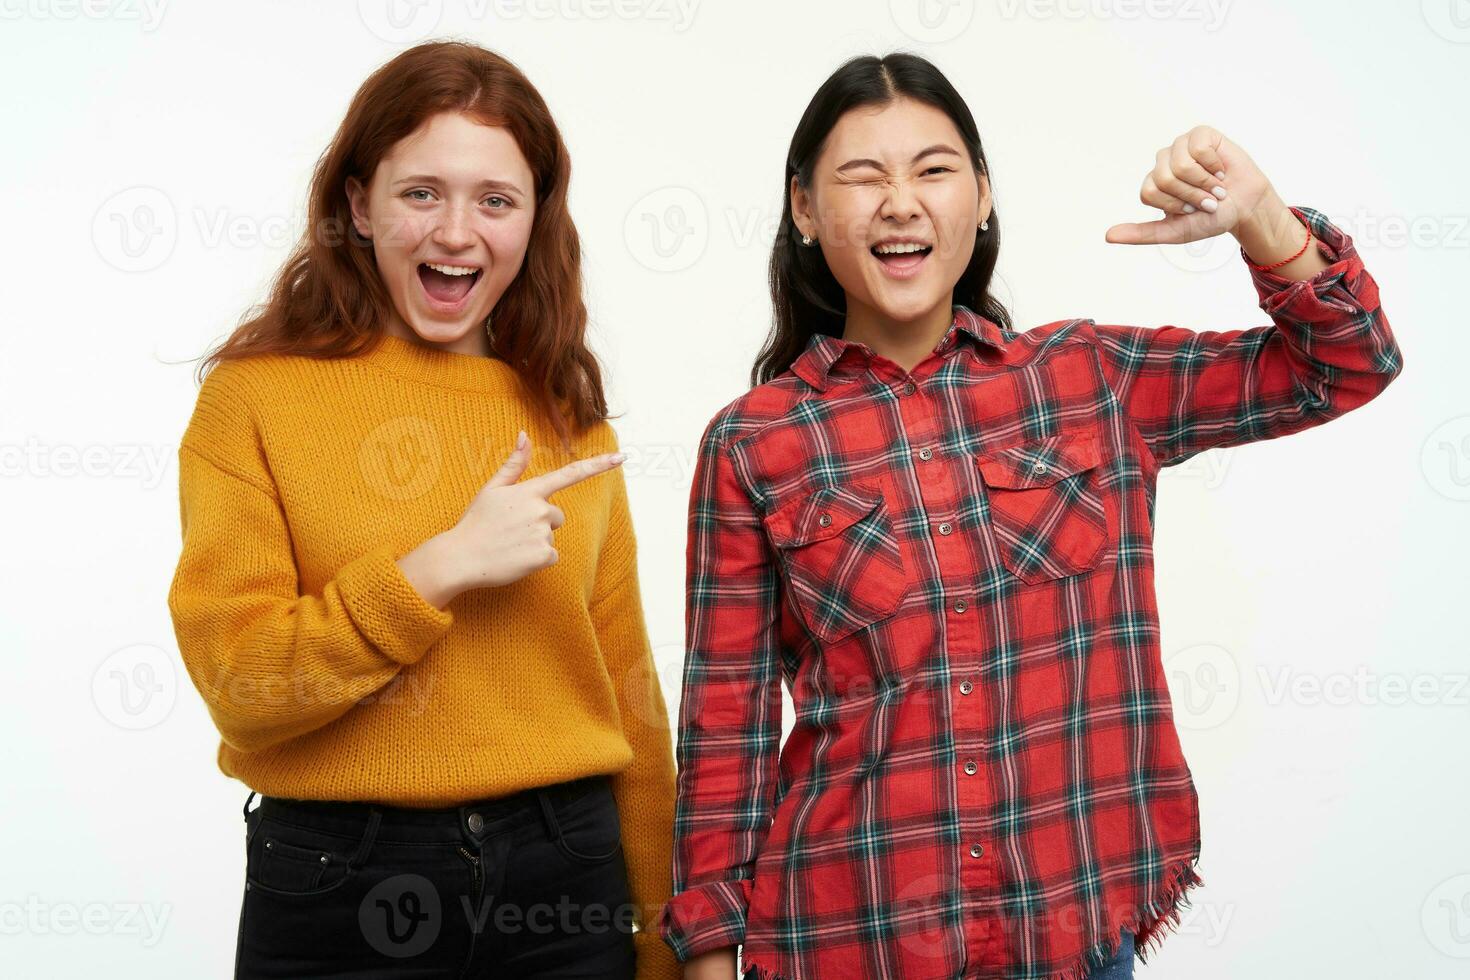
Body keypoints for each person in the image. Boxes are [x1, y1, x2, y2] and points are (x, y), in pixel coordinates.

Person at [659, 52, 1402, 980]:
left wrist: (1261, 216)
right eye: (862, 176)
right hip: (850, 940)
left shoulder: (1089, 380)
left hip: (1071, 932)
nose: (900, 202)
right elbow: (724, 724)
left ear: (982, 196)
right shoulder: (750, 444)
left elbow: (1347, 364)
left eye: (933, 170)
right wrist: (704, 958)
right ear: (805, 210)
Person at [167, 40, 679, 979]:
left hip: (567, 883)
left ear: (534, 219)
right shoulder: (255, 401)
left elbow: (633, 704)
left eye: (495, 199)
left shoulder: (567, 415)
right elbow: (240, 689)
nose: (456, 232)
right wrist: (435, 570)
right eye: (420, 194)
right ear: (359, 205)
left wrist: (664, 947)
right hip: (335, 882)